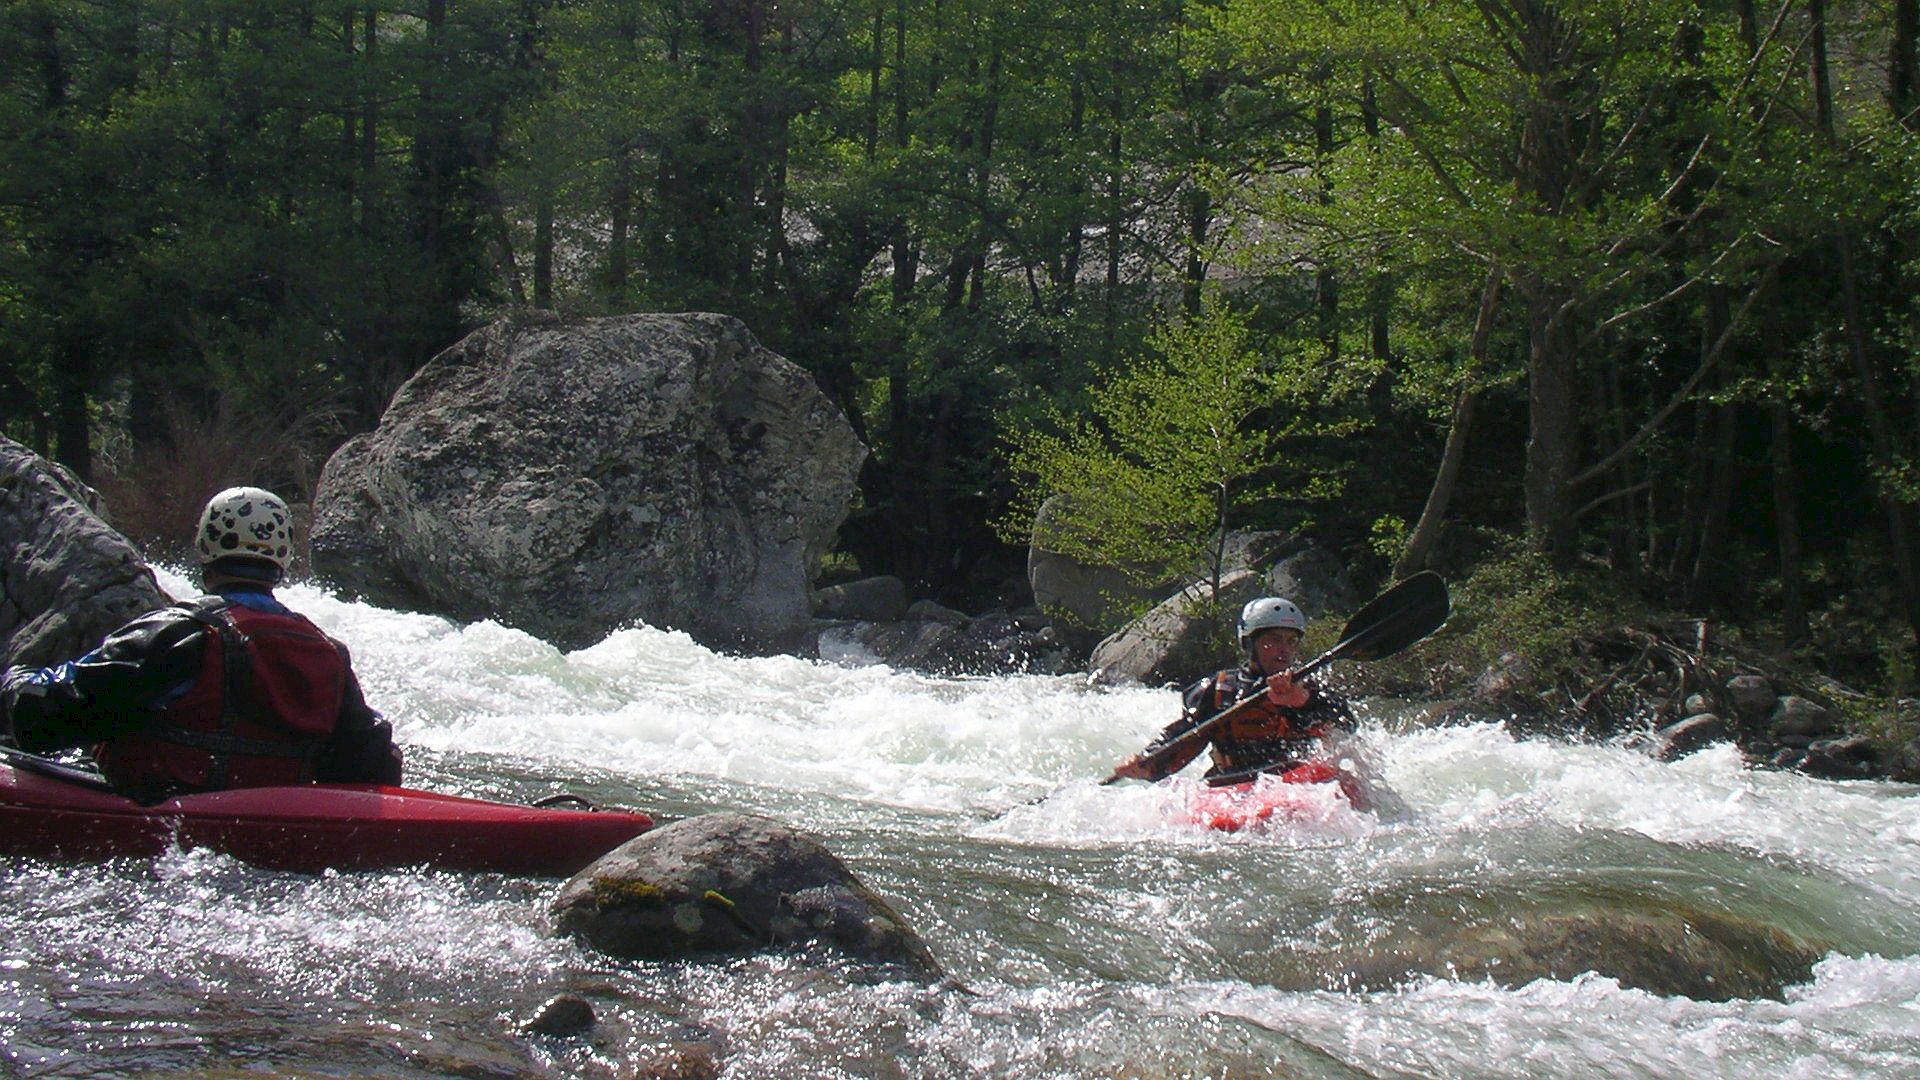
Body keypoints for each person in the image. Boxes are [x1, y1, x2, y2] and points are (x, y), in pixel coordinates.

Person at [2, 486, 403, 803]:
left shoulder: (176, 631)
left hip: (164, 820)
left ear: (206, 550)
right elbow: (373, 768)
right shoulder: (328, 651)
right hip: (272, 827)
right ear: (281, 559)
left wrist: (14, 681)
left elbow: (45, 713)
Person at [1111, 596, 1356, 785]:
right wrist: (1148, 762)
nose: (1284, 649)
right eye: (1273, 640)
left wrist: (1301, 701)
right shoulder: (1219, 690)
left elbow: (1347, 726)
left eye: (1290, 641)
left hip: (1294, 781)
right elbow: (1186, 735)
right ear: (1250, 643)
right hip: (1234, 784)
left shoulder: (1307, 688)